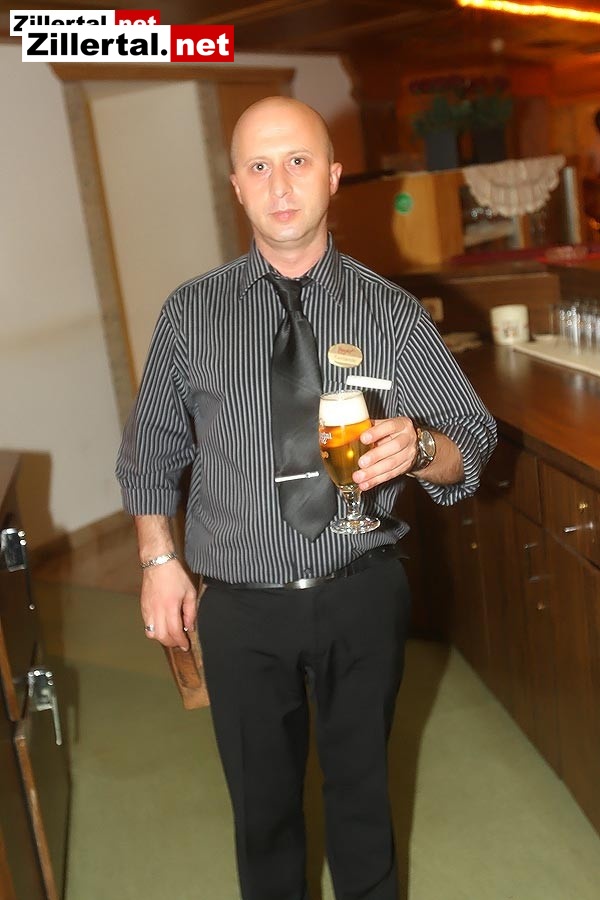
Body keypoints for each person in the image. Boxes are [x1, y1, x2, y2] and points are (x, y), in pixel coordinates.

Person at [116, 96, 497, 900]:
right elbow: (150, 453)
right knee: (262, 817)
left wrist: (422, 448)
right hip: (239, 605)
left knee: (363, 802)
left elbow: (473, 437)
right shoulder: (191, 313)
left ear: (333, 175)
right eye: (258, 166)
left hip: (362, 590)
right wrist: (157, 561)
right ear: (235, 186)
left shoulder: (390, 311)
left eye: (297, 161)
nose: (280, 184)